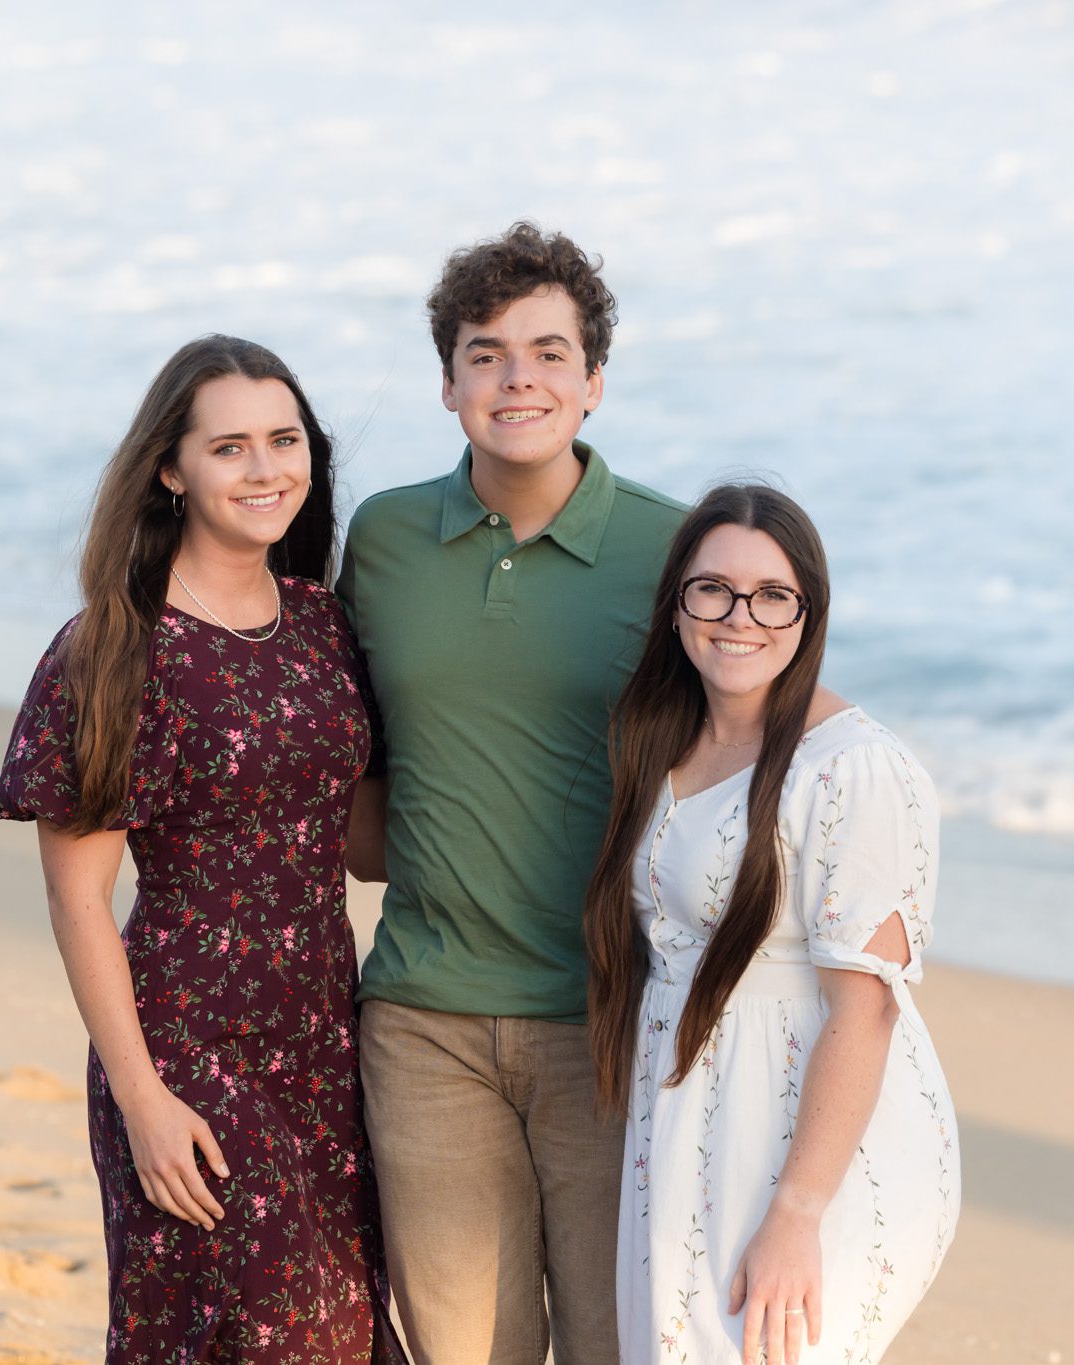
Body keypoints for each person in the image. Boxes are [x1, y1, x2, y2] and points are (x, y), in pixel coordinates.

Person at [0, 336, 403, 1364]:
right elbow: (80, 900)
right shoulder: (110, 649)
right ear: (172, 470)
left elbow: (361, 847)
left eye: (284, 440)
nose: (265, 469)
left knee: (343, 1322)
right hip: (183, 1042)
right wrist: (141, 1099)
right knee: (264, 1327)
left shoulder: (319, 622)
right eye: (230, 447)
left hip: (321, 1033)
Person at [335, 222, 686, 1363]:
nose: (516, 378)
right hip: (423, 1019)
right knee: (465, 1351)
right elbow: (352, 755)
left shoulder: (673, 550)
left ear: (593, 382)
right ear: (446, 384)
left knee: (613, 1340)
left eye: (547, 352)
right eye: (485, 354)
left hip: (610, 1028)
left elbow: (760, 734)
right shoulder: (384, 539)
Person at [583, 483, 959, 1365]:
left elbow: (866, 1009)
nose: (739, 616)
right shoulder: (663, 739)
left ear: (808, 613)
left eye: (772, 595)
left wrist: (796, 1212)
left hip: (804, 1144)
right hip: (686, 1127)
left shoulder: (856, 769)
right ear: (677, 605)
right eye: (712, 588)